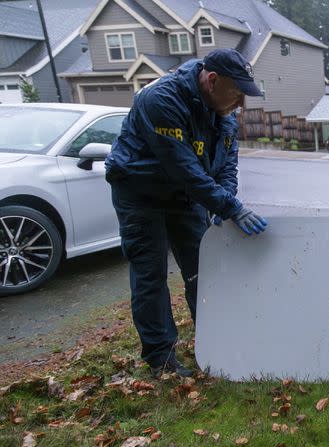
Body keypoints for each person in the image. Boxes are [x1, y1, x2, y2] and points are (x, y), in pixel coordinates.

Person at [106, 49, 268, 377]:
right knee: (151, 275)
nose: (240, 105)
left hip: (185, 195)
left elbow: (227, 164)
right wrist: (229, 206)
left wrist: (226, 201)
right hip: (141, 192)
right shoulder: (161, 99)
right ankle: (161, 358)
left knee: (203, 270)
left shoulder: (222, 113)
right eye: (237, 93)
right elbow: (184, 168)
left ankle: (215, 341)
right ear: (212, 80)